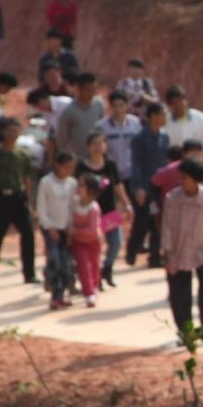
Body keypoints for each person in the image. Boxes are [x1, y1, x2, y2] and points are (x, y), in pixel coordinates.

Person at [161, 158, 203, 342]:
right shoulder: (172, 198)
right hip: (179, 250)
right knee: (180, 294)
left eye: (185, 178)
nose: (182, 182)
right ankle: (186, 332)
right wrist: (167, 252)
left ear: (196, 179)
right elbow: (167, 226)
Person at [0, 118, 37, 285]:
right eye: (10, 130)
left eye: (16, 130)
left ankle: (29, 273)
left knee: (28, 233)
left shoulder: (22, 154)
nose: (13, 134)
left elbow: (27, 179)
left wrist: (29, 202)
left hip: (18, 197)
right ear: (3, 132)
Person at [77, 131, 129, 289]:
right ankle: (95, 276)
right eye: (94, 144)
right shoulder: (81, 166)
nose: (98, 147)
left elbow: (118, 185)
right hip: (89, 212)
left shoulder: (110, 165)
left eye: (101, 143)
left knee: (116, 242)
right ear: (88, 147)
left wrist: (126, 203)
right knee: (95, 245)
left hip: (109, 210)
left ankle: (107, 269)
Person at [127, 102, 172, 270]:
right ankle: (132, 250)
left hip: (159, 186)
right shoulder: (140, 138)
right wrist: (138, 187)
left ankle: (155, 255)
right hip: (144, 186)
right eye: (162, 113)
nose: (165, 117)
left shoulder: (165, 137)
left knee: (158, 221)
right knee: (142, 220)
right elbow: (136, 164)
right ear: (153, 116)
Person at [36, 150, 80, 309]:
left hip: (65, 228)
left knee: (65, 262)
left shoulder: (72, 183)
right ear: (57, 165)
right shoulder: (46, 182)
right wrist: (49, 227)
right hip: (50, 228)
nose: (68, 170)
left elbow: (71, 206)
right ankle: (55, 295)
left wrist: (70, 226)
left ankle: (61, 293)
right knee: (55, 260)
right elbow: (41, 207)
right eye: (66, 167)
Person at [53, 71, 105, 162]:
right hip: (76, 160)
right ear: (79, 89)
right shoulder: (69, 111)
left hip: (94, 159)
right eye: (89, 90)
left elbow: (101, 128)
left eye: (94, 90)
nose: (92, 94)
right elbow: (62, 139)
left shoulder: (99, 104)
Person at [70, 176, 106, 306]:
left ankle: (95, 287)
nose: (78, 188)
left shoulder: (93, 208)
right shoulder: (74, 203)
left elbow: (92, 230)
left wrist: (74, 231)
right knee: (83, 265)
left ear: (90, 190)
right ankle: (89, 292)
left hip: (93, 242)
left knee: (95, 266)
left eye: (82, 186)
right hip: (78, 243)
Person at [99, 91, 142, 183]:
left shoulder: (136, 123)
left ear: (126, 106)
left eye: (121, 105)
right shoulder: (101, 126)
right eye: (114, 106)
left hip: (132, 173)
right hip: (111, 174)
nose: (118, 109)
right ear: (110, 107)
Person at [161, 85, 203, 153]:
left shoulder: (200, 118)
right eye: (174, 103)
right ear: (170, 106)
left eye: (180, 101)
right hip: (175, 162)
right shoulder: (165, 122)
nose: (178, 105)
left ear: (186, 101)